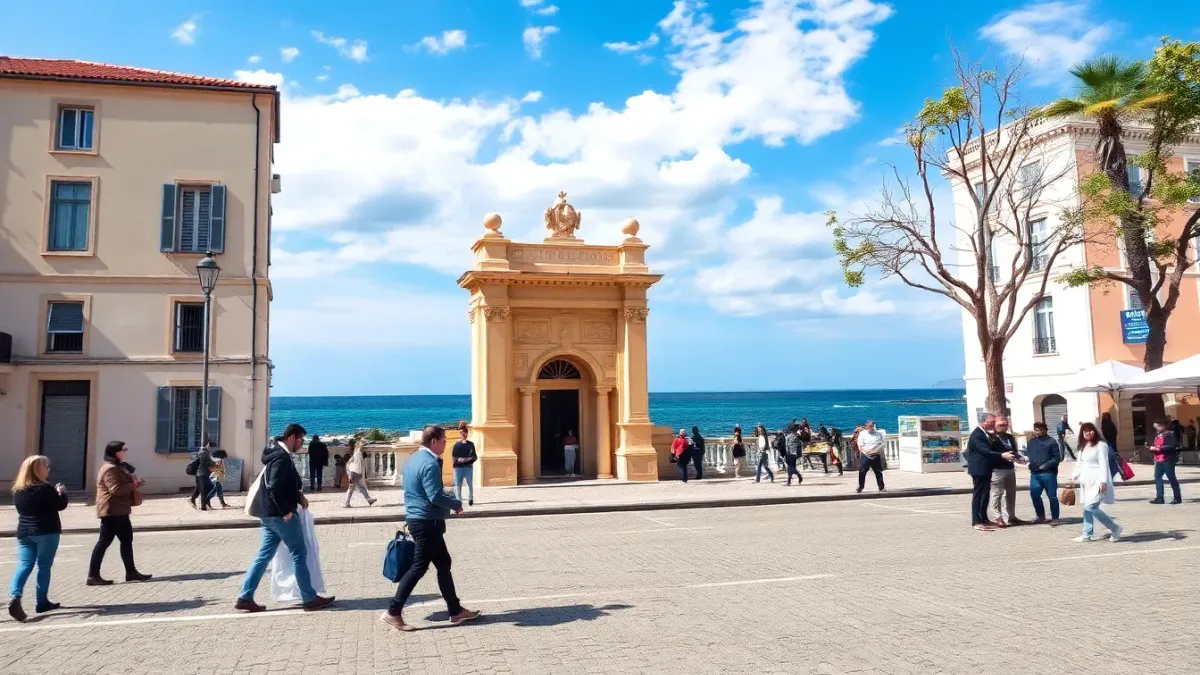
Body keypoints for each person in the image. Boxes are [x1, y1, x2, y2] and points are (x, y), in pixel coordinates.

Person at [382, 425, 481, 632]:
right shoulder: (429, 463)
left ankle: (455, 610)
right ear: (434, 441)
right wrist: (456, 503)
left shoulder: (413, 459)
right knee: (418, 567)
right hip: (427, 521)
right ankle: (393, 612)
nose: (447, 442)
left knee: (443, 562)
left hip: (419, 518)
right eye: (444, 439)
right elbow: (434, 495)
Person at [235, 423, 335, 612]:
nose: (301, 444)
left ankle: (245, 596)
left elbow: (283, 484)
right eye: (300, 440)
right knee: (299, 553)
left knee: (263, 556)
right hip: (281, 516)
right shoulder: (281, 458)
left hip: (267, 515)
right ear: (292, 438)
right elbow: (274, 486)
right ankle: (309, 597)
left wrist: (298, 496)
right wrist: (286, 511)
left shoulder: (275, 455)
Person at [8, 456, 68, 622]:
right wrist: (62, 493)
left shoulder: (17, 489)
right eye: (46, 467)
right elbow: (60, 505)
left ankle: (15, 594)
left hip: (24, 532)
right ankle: (41, 602)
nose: (48, 469)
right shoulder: (45, 488)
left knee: (25, 564)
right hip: (46, 530)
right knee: (44, 566)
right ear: (38, 469)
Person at [87, 441, 151, 585]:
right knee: (104, 542)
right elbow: (116, 490)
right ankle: (93, 575)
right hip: (111, 512)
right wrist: (133, 484)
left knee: (127, 541)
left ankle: (131, 572)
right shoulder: (109, 469)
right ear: (116, 452)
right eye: (123, 450)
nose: (125, 452)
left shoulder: (117, 467)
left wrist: (135, 483)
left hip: (121, 511)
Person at [1069, 422, 1121, 542]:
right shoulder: (1083, 446)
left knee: (1091, 506)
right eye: (1085, 431)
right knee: (1087, 508)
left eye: (1091, 430)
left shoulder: (1101, 445)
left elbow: (1104, 463)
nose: (1088, 433)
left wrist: (1103, 481)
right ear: (1082, 433)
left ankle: (1115, 528)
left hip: (1098, 480)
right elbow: (1080, 463)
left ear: (1095, 431)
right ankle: (1087, 534)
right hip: (1086, 481)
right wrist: (1073, 476)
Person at [965, 415, 1013, 532]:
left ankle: (984, 518)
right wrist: (1002, 455)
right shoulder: (977, 434)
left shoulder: (986, 433)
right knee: (979, 494)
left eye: (994, 422)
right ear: (983, 422)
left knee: (985, 494)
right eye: (991, 422)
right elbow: (985, 451)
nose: (993, 424)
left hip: (986, 468)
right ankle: (976, 521)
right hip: (978, 469)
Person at [989, 416, 1025, 527]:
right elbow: (989, 453)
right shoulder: (991, 437)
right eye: (1001, 425)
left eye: (1005, 425)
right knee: (997, 494)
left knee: (1011, 494)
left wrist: (1019, 458)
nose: (1004, 427)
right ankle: (998, 517)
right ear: (995, 425)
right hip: (997, 469)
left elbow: (1014, 451)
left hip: (1010, 468)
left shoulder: (1010, 437)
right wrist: (1002, 457)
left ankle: (1011, 516)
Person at [1025, 422, 1061, 524]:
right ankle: (1040, 516)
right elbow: (1029, 455)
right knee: (1034, 494)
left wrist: (1045, 465)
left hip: (1048, 473)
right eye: (1035, 429)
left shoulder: (1051, 442)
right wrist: (1025, 460)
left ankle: (1055, 518)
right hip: (1035, 473)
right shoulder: (1032, 441)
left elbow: (1056, 458)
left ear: (1045, 430)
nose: (1037, 431)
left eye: (1039, 429)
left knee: (1052, 496)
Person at [1149, 419, 1182, 505]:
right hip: (1159, 459)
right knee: (1157, 477)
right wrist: (1151, 448)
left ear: (1163, 426)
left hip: (1168, 459)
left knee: (1171, 478)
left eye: (1158, 426)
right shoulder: (1157, 436)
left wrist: (1159, 448)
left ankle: (1177, 498)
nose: (1156, 429)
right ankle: (1160, 498)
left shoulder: (1170, 434)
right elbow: (1156, 446)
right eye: (1155, 427)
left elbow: (1172, 446)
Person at [343, 438, 377, 508]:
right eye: (362, 446)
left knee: (356, 487)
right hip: (355, 472)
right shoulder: (358, 454)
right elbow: (356, 464)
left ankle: (368, 499)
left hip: (354, 472)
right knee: (354, 487)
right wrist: (352, 475)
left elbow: (351, 463)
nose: (363, 447)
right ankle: (347, 503)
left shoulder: (357, 453)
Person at [855, 420, 886, 494]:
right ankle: (861, 487)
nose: (870, 427)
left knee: (878, 472)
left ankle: (881, 487)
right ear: (866, 426)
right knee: (862, 472)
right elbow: (860, 445)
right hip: (865, 455)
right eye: (868, 426)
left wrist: (874, 451)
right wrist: (866, 453)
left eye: (871, 426)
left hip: (875, 454)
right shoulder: (862, 434)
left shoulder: (879, 434)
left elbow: (881, 444)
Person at [451, 423, 478, 506]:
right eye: (462, 433)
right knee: (458, 484)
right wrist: (459, 460)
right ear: (460, 434)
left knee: (470, 483)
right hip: (458, 467)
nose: (463, 435)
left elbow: (474, 456)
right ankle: (459, 499)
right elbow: (454, 456)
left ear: (467, 434)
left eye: (465, 433)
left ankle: (471, 498)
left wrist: (465, 460)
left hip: (468, 467)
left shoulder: (470, 444)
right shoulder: (456, 444)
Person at [188, 442, 216, 510]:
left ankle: (193, 499)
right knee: (204, 490)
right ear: (207, 445)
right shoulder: (203, 453)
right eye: (211, 446)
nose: (212, 448)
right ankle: (203, 506)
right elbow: (203, 463)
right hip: (201, 474)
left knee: (201, 489)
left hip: (204, 474)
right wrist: (213, 462)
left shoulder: (207, 453)